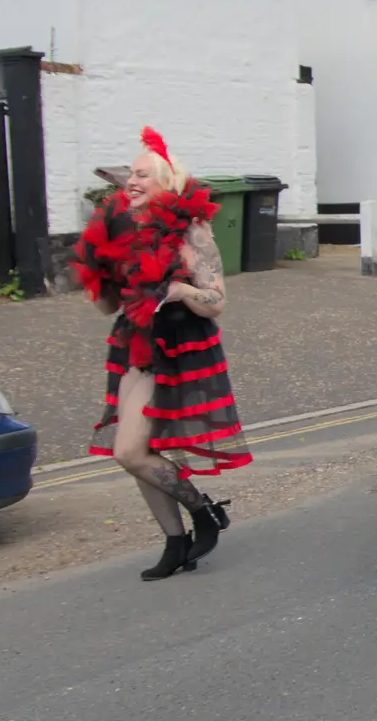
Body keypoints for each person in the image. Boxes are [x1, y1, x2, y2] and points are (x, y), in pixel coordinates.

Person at [71, 129, 251, 581]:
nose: (130, 181)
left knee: (130, 452)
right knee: (135, 451)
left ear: (165, 184)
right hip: (136, 344)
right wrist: (97, 274)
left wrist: (180, 289)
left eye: (141, 175)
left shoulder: (191, 231)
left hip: (177, 347)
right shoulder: (121, 232)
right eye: (129, 173)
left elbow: (218, 301)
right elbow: (110, 307)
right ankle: (175, 541)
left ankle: (204, 512)